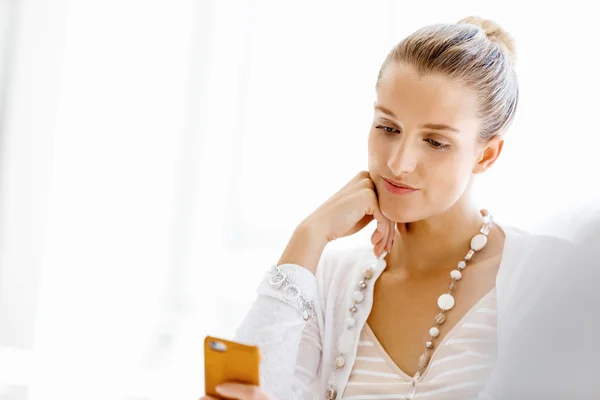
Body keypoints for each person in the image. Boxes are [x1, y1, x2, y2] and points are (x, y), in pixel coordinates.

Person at [201, 16, 573, 400]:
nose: (398, 163)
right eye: (388, 128)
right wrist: (308, 237)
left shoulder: (549, 278)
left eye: (435, 142)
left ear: (487, 155)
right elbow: (248, 390)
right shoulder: (331, 281)